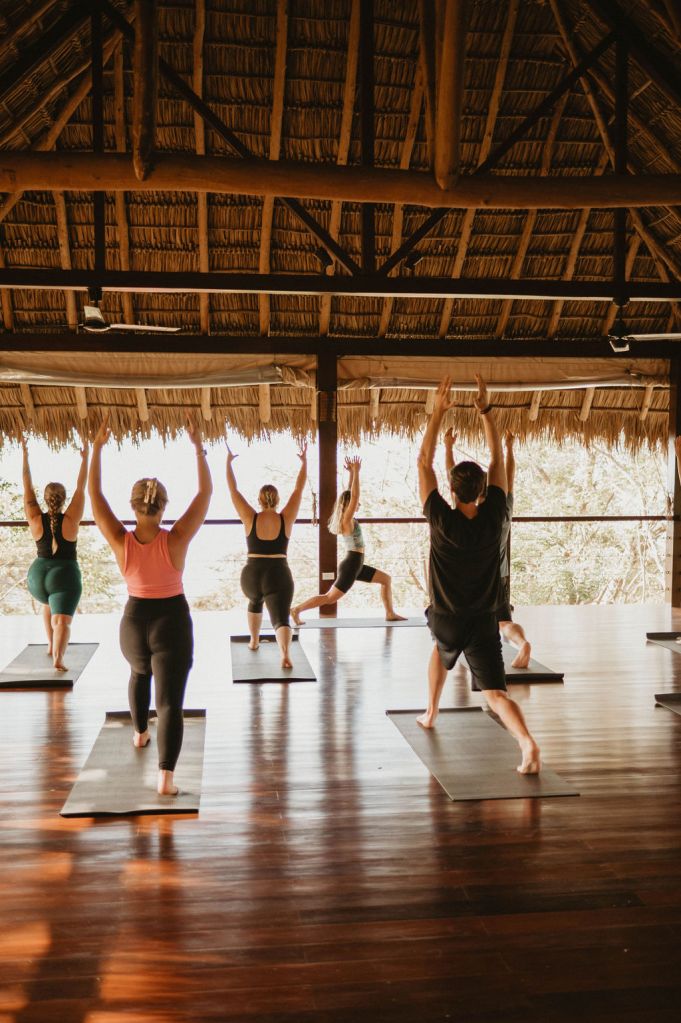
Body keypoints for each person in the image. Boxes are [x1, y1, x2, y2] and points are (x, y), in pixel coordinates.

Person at [417, 375, 541, 774]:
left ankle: (432, 712)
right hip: (485, 621)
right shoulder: (497, 517)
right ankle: (527, 746)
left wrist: (438, 411)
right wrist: (486, 411)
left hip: (448, 620)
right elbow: (497, 462)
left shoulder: (440, 519)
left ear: (451, 492)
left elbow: (423, 462)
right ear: (483, 490)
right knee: (495, 694)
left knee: (439, 647)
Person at [88, 416, 212, 796]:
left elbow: (95, 497)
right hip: (171, 619)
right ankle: (166, 778)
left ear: (134, 506)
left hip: (133, 621)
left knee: (139, 676)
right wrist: (197, 447)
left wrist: (97, 448)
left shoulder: (120, 540)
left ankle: (140, 734)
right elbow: (205, 495)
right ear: (162, 507)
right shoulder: (175, 539)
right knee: (171, 701)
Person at [444, 427, 532, 668]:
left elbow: (452, 478)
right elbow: (509, 476)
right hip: (498, 576)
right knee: (503, 621)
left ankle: (462, 650)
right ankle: (522, 642)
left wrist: (448, 447)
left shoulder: (471, 512)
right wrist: (509, 448)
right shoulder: (501, 510)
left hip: (470, 576)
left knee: (462, 619)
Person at [291, 456, 405, 625]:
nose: (358, 504)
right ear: (349, 504)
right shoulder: (346, 520)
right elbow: (355, 495)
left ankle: (389, 613)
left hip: (357, 563)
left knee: (386, 580)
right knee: (329, 598)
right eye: (354, 503)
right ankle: (297, 609)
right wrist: (357, 472)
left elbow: (350, 494)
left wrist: (351, 474)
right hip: (352, 564)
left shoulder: (346, 517)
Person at [226, 441, 308, 668]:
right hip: (278, 573)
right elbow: (299, 490)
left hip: (252, 574)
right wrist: (304, 463)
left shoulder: (250, 517)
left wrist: (228, 464)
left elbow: (233, 491)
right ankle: (285, 655)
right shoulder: (285, 518)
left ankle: (253, 641)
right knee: (281, 618)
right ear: (277, 500)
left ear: (259, 500)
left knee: (255, 601)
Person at [22, 436, 89, 671]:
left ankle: (51, 645)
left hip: (37, 576)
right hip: (64, 573)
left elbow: (26, 486)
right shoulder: (70, 520)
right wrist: (85, 457)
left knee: (49, 604)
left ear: (45, 498)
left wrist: (25, 454)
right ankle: (58, 659)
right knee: (62, 619)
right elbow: (82, 487)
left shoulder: (33, 517)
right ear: (63, 499)